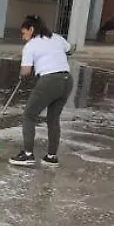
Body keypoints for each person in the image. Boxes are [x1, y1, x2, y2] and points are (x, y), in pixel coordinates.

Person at [10, 16, 73, 167]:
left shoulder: (31, 45)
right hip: (67, 80)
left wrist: (22, 76)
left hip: (49, 81)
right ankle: (51, 156)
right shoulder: (57, 38)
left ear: (31, 29)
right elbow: (69, 49)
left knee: (29, 115)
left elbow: (26, 71)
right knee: (53, 118)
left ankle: (27, 154)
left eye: (24, 33)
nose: (23, 37)